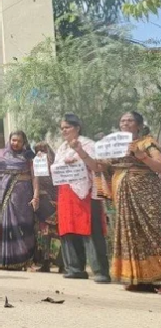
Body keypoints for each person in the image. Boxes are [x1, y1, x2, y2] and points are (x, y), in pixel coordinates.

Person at [72, 112, 161, 291]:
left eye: (130, 120)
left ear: (139, 125)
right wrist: (80, 151)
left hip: (147, 195)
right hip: (123, 196)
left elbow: (158, 165)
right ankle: (138, 279)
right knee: (131, 234)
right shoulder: (114, 146)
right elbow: (97, 166)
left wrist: (141, 155)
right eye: (122, 120)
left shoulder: (147, 142)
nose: (125, 123)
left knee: (153, 231)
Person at [53, 113, 110, 283]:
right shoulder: (61, 148)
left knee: (91, 230)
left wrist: (80, 152)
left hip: (85, 193)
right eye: (62, 128)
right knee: (68, 229)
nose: (64, 131)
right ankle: (74, 268)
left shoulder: (88, 144)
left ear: (77, 128)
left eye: (67, 127)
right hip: (66, 193)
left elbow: (96, 166)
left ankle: (100, 271)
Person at [0, 130, 39, 271]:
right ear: (9, 140)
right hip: (6, 196)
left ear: (24, 142)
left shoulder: (28, 156)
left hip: (24, 198)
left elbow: (35, 177)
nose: (15, 143)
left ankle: (27, 261)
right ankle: (6, 262)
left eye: (19, 141)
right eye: (13, 140)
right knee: (8, 226)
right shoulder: (0, 155)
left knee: (25, 226)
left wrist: (36, 195)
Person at [32, 142, 60, 273]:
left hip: (56, 203)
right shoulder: (37, 165)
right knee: (44, 234)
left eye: (43, 150)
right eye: (37, 150)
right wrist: (35, 198)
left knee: (57, 235)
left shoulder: (57, 165)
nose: (40, 153)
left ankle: (61, 263)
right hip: (43, 203)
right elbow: (36, 182)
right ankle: (45, 263)